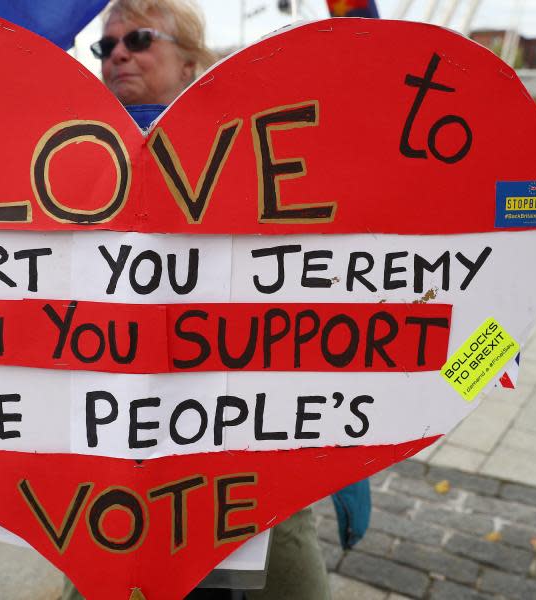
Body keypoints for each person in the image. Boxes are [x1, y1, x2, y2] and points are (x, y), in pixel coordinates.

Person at [60, 1, 363, 598]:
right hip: (118, 451)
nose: (118, 53)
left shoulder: (256, 144)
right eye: (106, 44)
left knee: (283, 557)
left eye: (139, 38)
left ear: (193, 62)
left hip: (248, 437)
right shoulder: (68, 160)